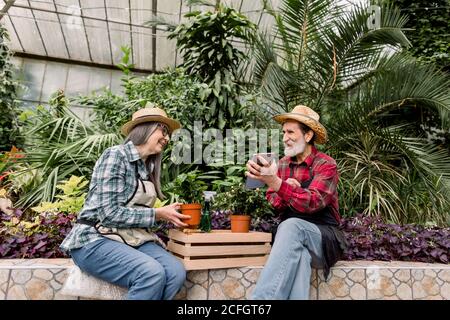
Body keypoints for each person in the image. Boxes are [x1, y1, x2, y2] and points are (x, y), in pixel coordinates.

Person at [60, 104, 190, 300]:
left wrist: (167, 215)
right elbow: (108, 213)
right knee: (151, 273)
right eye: (163, 130)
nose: (167, 138)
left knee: (175, 273)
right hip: (94, 238)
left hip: (131, 238)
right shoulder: (116, 155)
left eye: (168, 133)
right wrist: (156, 214)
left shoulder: (146, 168)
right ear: (145, 129)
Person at [246, 105, 347, 300]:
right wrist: (284, 188)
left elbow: (315, 201)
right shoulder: (282, 164)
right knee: (299, 257)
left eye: (291, 132)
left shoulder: (326, 164)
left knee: (292, 226)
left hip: (324, 238)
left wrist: (279, 184)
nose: (285, 137)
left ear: (308, 136)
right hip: (293, 239)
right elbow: (273, 202)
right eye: (284, 132)